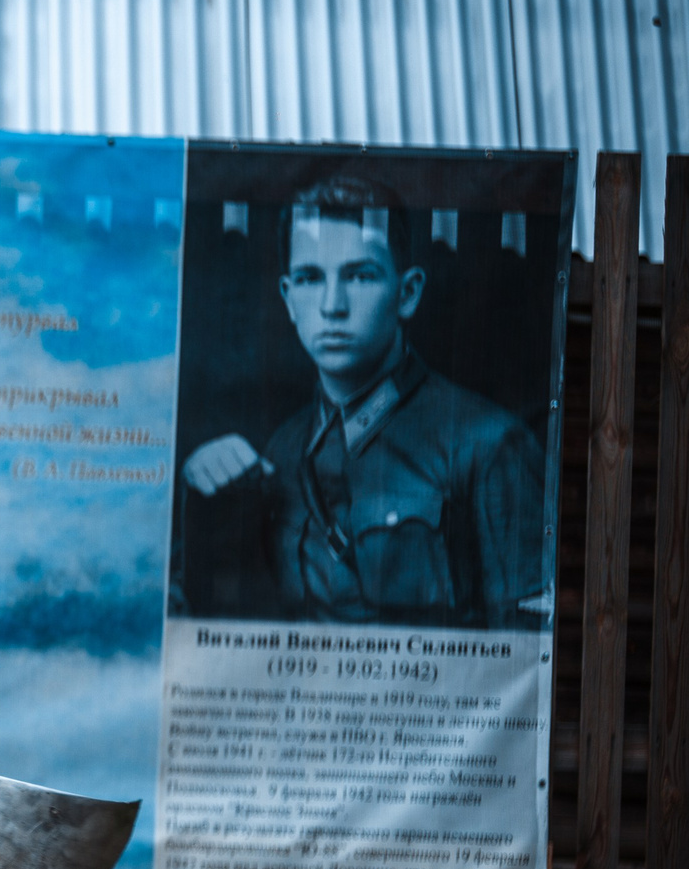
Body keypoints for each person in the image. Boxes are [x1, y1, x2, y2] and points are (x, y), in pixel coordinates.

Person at [179, 176, 548, 630]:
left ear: (407, 293)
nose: (333, 306)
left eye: (360, 275)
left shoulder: (488, 446)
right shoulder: (284, 449)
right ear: (289, 300)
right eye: (310, 278)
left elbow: (519, 656)